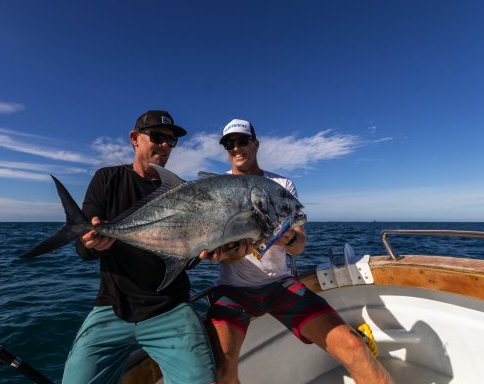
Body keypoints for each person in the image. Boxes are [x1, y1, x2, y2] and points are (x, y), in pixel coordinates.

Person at [61, 110, 252, 384]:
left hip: (170, 307)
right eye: (158, 137)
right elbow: (84, 250)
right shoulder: (107, 179)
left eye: (171, 142)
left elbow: (188, 253)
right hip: (112, 308)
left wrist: (209, 249)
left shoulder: (186, 193)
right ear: (134, 138)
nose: (164, 145)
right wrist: (92, 242)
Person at [207, 119, 394, 384]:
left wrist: (285, 237)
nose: (236, 147)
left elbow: (300, 245)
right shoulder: (217, 187)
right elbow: (223, 250)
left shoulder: (282, 185)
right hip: (232, 290)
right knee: (222, 373)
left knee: (354, 346)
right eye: (229, 143)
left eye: (242, 141)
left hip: (280, 285)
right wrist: (226, 252)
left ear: (255, 144)